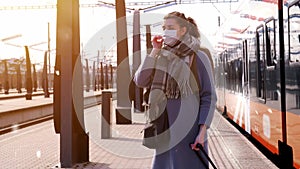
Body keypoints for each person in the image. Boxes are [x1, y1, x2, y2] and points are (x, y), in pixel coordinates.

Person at [134, 11, 217, 169]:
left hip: (190, 133)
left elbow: (209, 97)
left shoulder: (199, 57)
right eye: (164, 27)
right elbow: (140, 80)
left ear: (183, 30)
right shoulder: (160, 56)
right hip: (164, 130)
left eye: (171, 27)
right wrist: (154, 50)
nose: (166, 31)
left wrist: (202, 131)